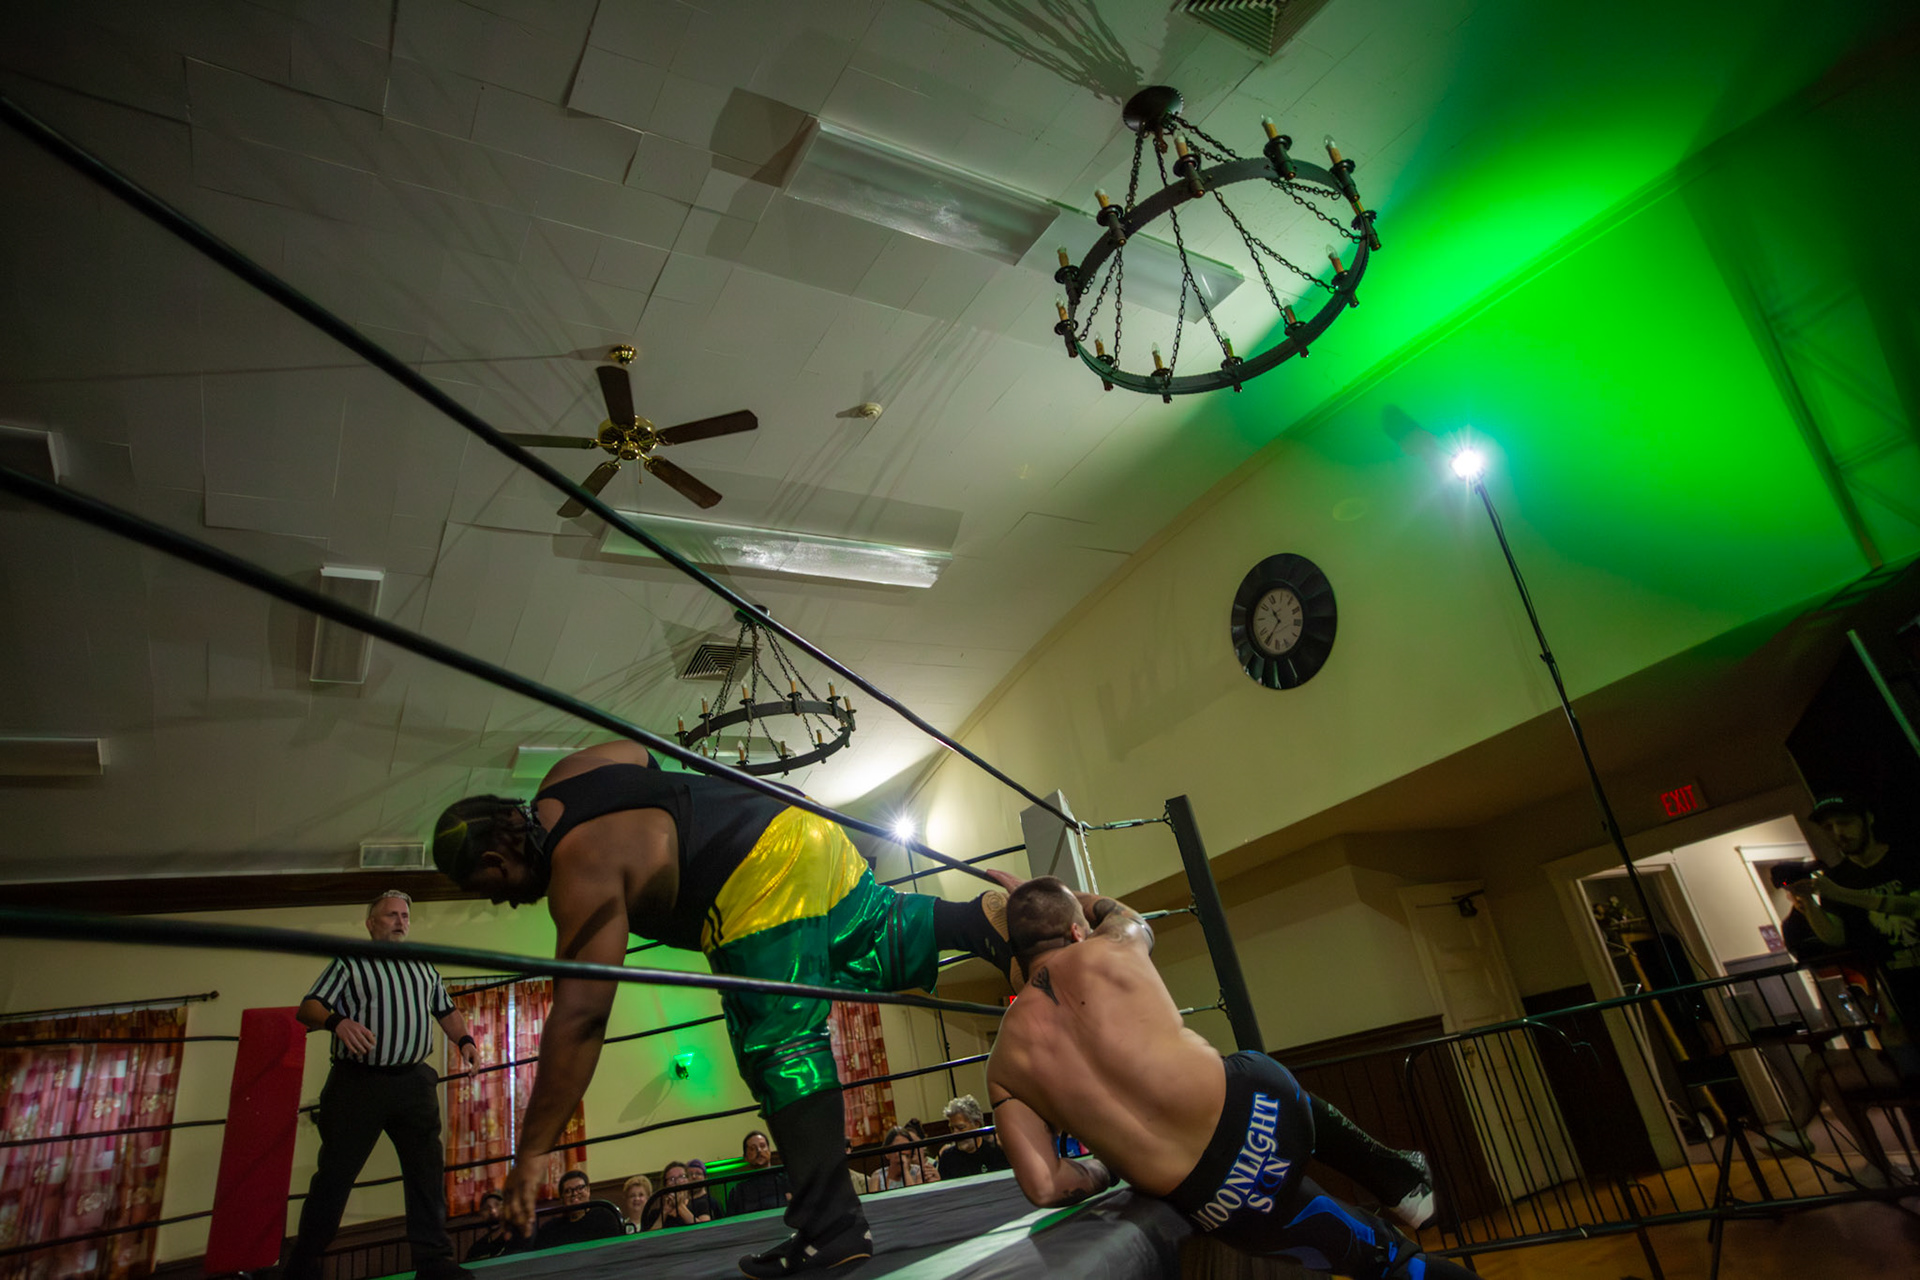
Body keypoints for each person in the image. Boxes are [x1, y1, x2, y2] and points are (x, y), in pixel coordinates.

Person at [431, 739, 1015, 1275]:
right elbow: (642, 758)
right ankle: (983, 923)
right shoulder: (569, 770)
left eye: (491, 892)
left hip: (752, 874)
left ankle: (832, 1228)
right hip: (795, 817)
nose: (503, 903)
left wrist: (533, 1152)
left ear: (495, 862)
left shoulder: (577, 871)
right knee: (868, 929)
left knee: (777, 1043)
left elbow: (581, 1017)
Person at [985, 877, 1469, 1280]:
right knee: (1255, 1071)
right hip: (1264, 1103)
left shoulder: (1003, 1065)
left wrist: (1107, 1170)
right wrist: (1068, 897)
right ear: (1076, 931)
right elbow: (1125, 915)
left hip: (1218, 1196)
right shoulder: (1112, 944)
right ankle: (1398, 1180)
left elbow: (1046, 1187)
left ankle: (1396, 1217)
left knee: (1388, 1263)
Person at [285, 892, 478, 1280]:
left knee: (426, 1173)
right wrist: (338, 1022)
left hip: (413, 1082)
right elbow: (308, 1008)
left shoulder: (422, 965)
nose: (400, 921)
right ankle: (303, 1266)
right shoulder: (350, 962)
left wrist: (465, 1041)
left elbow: (446, 1010)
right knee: (335, 1176)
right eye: (391, 915)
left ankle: (435, 1263)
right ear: (371, 923)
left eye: (405, 915)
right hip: (358, 1083)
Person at [1791, 795, 1920, 1060]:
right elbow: (1835, 936)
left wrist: (1843, 894)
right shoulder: (1838, 878)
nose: (1838, 833)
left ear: (1867, 819)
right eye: (1828, 828)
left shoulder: (1906, 858)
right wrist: (1808, 905)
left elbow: (1913, 907)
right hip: (1896, 990)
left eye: (1845, 823)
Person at [531, 1168, 623, 1248]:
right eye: (568, 1191)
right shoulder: (550, 1229)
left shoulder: (604, 1216)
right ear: (562, 1197)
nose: (574, 1193)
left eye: (580, 1188)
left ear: (588, 1190)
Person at [935, 1095, 1009, 1181]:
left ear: (977, 1124)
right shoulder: (947, 1158)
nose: (955, 1133)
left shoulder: (996, 1151)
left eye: (961, 1128)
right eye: (952, 1128)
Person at [729, 1129, 792, 1216]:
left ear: (769, 1151)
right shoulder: (739, 1191)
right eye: (752, 1148)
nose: (759, 1150)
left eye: (762, 1146)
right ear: (745, 1157)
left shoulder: (786, 1181)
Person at [644, 1161, 714, 1229]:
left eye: (682, 1177)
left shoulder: (701, 1204)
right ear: (665, 1184)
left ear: (688, 1180)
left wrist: (679, 1206)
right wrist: (664, 1212)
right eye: (671, 1179)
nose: (677, 1182)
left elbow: (704, 1229)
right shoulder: (655, 1213)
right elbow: (651, 1235)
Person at [866, 1127, 938, 1192]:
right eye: (898, 1147)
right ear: (887, 1153)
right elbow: (873, 1201)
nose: (903, 1152)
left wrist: (905, 1170)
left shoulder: (918, 1172)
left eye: (906, 1147)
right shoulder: (878, 1176)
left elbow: (914, 1196)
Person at [464, 1190, 516, 1261]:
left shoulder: (516, 1236)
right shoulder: (477, 1248)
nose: (493, 1211)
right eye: (487, 1208)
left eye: (497, 1205)